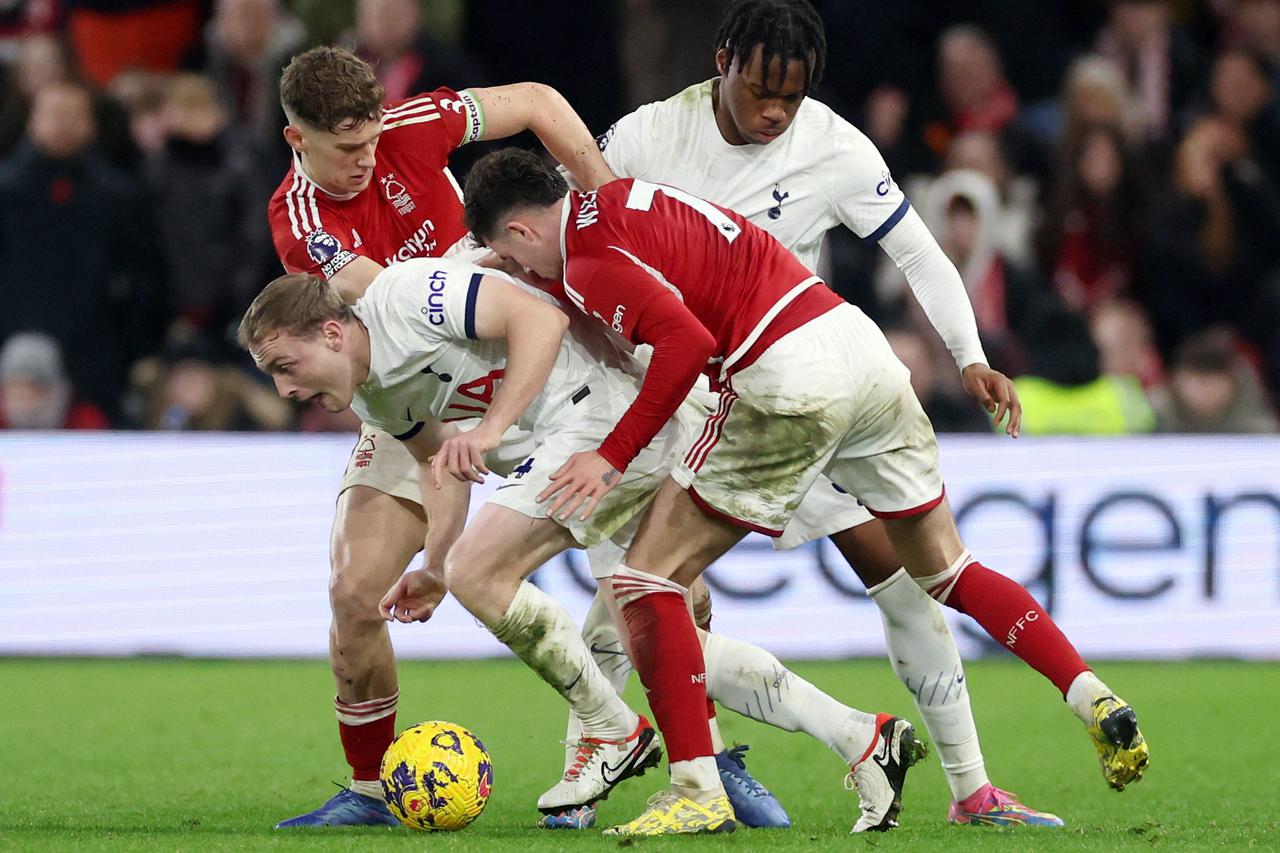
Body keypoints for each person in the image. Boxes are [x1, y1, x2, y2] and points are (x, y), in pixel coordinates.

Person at [459, 125, 1151, 833]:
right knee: (946, 570)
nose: (525, 271)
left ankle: (696, 787)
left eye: (516, 254)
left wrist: (611, 453)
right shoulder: (617, 198)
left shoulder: (587, 261)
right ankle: (1087, 690)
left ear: (520, 227)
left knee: (646, 581)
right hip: (858, 347)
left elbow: (687, 344)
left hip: (782, 376)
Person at [245, 259, 923, 836]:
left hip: (609, 412)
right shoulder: (373, 393)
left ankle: (611, 729)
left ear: (333, 332)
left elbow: (539, 320)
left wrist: (492, 434)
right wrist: (433, 565)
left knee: (486, 570)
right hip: (584, 431)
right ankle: (862, 736)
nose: (285, 388)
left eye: (285, 365)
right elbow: (438, 467)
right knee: (651, 632)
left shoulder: (404, 294)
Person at [262, 45, 626, 828]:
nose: (366, 159)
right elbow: (374, 293)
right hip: (415, 396)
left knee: (662, 582)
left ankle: (698, 761)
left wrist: (604, 202)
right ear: (299, 142)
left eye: (371, 141)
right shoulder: (297, 219)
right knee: (355, 591)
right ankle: (367, 790)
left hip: (531, 364)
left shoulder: (411, 122)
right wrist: (470, 266)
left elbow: (534, 98)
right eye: (345, 149)